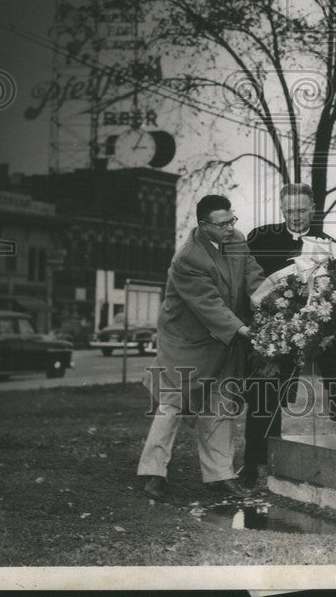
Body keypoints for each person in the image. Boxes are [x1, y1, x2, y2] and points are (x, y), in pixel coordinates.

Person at [137, 194, 264, 501]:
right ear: (204, 225)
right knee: (172, 405)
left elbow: (253, 275)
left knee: (219, 406)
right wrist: (243, 329)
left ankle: (219, 476)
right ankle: (153, 473)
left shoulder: (237, 240)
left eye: (231, 220)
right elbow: (208, 304)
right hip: (187, 343)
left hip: (225, 340)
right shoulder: (188, 258)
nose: (229, 228)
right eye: (222, 224)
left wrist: (268, 302)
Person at [239, 183, 336, 489]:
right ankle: (253, 463)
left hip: (315, 322)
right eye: (289, 210)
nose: (295, 216)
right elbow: (247, 281)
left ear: (313, 209)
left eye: (302, 210)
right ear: (282, 209)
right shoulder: (261, 238)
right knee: (264, 384)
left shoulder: (330, 244)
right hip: (276, 323)